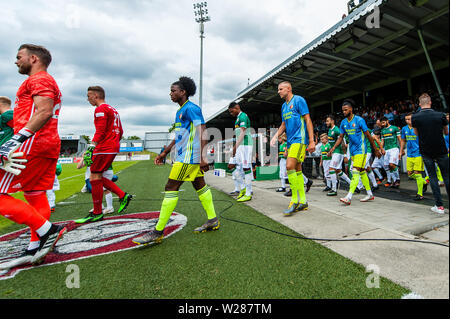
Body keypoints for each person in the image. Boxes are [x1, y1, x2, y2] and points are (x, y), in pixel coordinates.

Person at [0, 44, 66, 268]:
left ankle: (48, 231)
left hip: (31, 145)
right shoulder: (44, 80)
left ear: (34, 58)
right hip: (45, 145)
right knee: (36, 195)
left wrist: (15, 139)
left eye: (19, 57)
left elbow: (44, 111)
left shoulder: (38, 79)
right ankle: (34, 247)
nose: (16, 61)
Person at [132, 76, 219, 245]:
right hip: (184, 155)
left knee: (170, 186)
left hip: (189, 157)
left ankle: (157, 231)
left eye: (173, 91)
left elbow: (203, 131)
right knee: (199, 185)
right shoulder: (180, 112)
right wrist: (165, 152)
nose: (170, 94)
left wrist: (202, 157)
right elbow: (179, 136)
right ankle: (213, 219)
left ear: (183, 92)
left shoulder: (191, 108)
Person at [75, 86, 132, 224]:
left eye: (88, 96)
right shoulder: (113, 109)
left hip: (104, 147)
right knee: (97, 177)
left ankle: (97, 212)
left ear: (95, 95)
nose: (87, 99)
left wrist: (91, 147)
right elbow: (121, 131)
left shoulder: (100, 109)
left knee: (94, 178)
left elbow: (100, 130)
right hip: (112, 146)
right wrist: (113, 143)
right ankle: (121, 196)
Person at [270, 81, 315, 216]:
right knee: (297, 170)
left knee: (289, 166)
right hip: (290, 142)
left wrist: (311, 141)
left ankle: (294, 200)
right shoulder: (284, 106)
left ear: (288, 89)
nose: (278, 91)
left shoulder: (299, 100)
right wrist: (275, 136)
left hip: (300, 140)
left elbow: (307, 119)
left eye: (281, 89)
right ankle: (304, 202)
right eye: (278, 89)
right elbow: (284, 124)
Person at [328, 99, 381, 205]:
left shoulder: (359, 120)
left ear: (351, 109)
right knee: (362, 172)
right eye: (343, 110)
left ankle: (349, 196)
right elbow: (341, 138)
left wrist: (376, 149)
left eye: (346, 110)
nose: (344, 112)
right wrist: (333, 148)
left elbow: (368, 135)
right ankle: (370, 194)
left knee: (355, 171)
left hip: (361, 150)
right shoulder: (343, 122)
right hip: (352, 151)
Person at [411, 93, 449, 214]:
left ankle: (439, 206)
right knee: (447, 176)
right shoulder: (441, 115)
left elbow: (416, 133)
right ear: (430, 102)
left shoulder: (415, 117)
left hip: (426, 150)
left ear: (419, 104)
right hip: (441, 149)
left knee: (432, 177)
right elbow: (446, 132)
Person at [228, 102, 253, 202]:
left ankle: (248, 193)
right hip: (240, 146)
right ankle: (242, 188)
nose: (231, 113)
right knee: (231, 166)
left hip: (245, 145)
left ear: (237, 107)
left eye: (232, 111)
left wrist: (235, 147)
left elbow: (243, 133)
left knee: (246, 168)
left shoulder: (243, 116)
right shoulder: (238, 118)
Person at [400, 113, 428, 201]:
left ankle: (420, 194)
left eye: (409, 119)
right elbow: (403, 140)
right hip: (410, 154)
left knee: (417, 173)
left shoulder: (419, 128)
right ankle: (424, 182)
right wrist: (401, 150)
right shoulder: (404, 129)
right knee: (410, 174)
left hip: (418, 154)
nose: (407, 121)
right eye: (406, 119)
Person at [326, 115, 352, 196]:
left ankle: (334, 189)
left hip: (339, 152)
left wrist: (345, 155)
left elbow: (343, 142)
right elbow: (331, 143)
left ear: (332, 121)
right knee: (338, 171)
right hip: (334, 152)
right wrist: (330, 151)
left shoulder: (337, 130)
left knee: (331, 169)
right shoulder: (330, 130)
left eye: (327, 121)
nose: (326, 122)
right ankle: (353, 184)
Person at [379, 116, 402, 188]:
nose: (382, 124)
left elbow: (400, 139)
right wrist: (381, 148)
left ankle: (397, 179)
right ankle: (395, 181)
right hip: (387, 150)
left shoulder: (394, 128)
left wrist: (401, 149)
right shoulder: (382, 131)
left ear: (387, 121)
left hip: (394, 149)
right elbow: (382, 141)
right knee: (388, 166)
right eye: (381, 123)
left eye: (383, 122)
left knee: (391, 164)